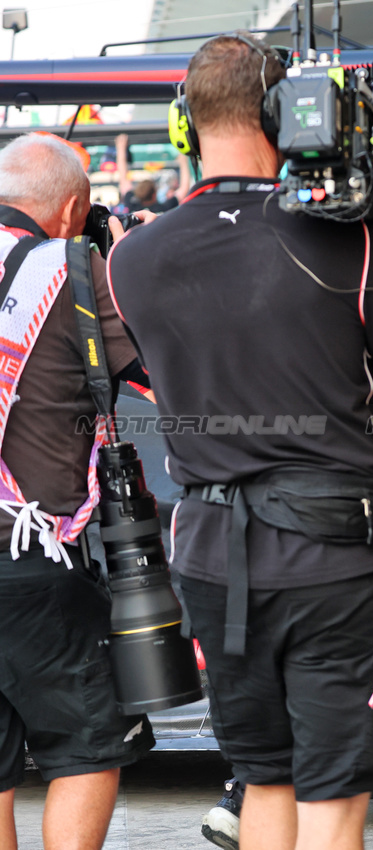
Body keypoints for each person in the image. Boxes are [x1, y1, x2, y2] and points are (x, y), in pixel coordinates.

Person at [107, 33, 373, 850]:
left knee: (262, 779)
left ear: (185, 128)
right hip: (330, 557)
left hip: (209, 557)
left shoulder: (131, 257)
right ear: (277, 113)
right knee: (331, 794)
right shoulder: (348, 242)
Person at [0, 133, 155, 850]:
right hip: (34, 565)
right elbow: (156, 374)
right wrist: (120, 258)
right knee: (88, 745)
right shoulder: (75, 269)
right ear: (70, 210)